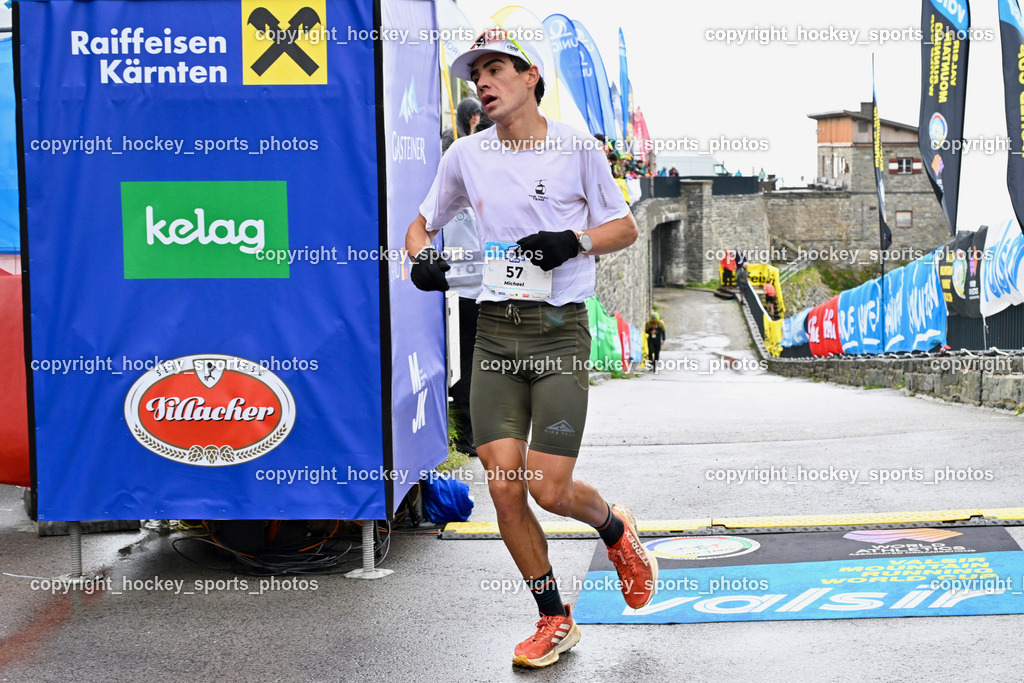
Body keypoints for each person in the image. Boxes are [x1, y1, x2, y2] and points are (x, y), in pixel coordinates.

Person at [405, 29, 657, 669]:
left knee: (547, 486)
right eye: (475, 76)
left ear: (531, 77)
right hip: (494, 333)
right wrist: (421, 262)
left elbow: (625, 227)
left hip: (558, 332)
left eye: (494, 71)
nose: (481, 84)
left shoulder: (577, 149)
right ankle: (553, 618)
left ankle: (615, 530)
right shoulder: (465, 155)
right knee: (505, 488)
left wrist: (572, 241)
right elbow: (419, 225)